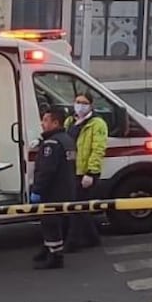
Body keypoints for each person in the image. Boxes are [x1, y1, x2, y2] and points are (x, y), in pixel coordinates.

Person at [29, 109, 77, 270]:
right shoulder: (67, 140)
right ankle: (48, 249)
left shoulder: (52, 144)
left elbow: (46, 171)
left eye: (45, 120)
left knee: (50, 223)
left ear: (55, 123)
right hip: (66, 188)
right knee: (58, 222)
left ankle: (55, 257)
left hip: (52, 191)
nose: (42, 123)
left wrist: (37, 190)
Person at [64, 91, 108, 252]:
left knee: (77, 208)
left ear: (90, 105)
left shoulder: (97, 124)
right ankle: (92, 238)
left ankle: (72, 242)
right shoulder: (70, 121)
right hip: (71, 170)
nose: (80, 105)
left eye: (83, 102)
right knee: (80, 207)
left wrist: (90, 172)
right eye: (77, 101)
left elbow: (98, 149)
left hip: (86, 172)